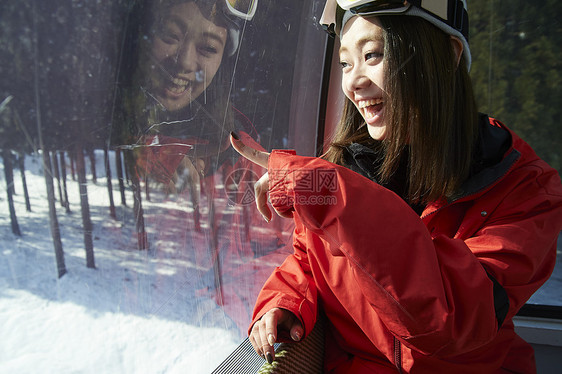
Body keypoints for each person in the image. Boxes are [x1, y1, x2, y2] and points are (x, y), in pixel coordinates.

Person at [230, 0, 562, 372]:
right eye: (344, 63)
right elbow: (309, 261)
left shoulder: (527, 190)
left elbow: (452, 318)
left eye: (372, 55)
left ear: (448, 55)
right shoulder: (341, 170)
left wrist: (332, 195)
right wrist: (286, 302)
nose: (353, 82)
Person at [117, 0, 291, 334]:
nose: (184, 62)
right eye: (170, 36)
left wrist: (225, 310)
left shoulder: (241, 155)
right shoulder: (106, 141)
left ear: (224, 59)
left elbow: (281, 253)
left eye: (208, 48)